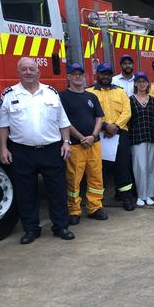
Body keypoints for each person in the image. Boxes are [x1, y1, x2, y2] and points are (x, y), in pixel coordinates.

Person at [0, 57, 75, 244]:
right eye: (24, 69)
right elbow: (2, 125)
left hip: (52, 150)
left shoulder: (51, 93)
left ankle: (61, 226)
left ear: (38, 72)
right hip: (22, 152)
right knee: (26, 193)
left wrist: (66, 142)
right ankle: (31, 229)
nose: (28, 72)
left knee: (58, 191)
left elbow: (63, 122)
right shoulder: (8, 95)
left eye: (32, 69)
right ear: (18, 72)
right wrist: (3, 148)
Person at [60, 63, 107, 225]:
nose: (78, 76)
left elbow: (99, 118)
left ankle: (95, 207)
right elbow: (63, 121)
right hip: (75, 145)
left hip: (94, 144)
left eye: (80, 74)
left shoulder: (91, 97)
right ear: (68, 77)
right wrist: (81, 138)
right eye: (74, 74)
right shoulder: (63, 97)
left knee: (96, 177)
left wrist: (93, 136)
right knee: (73, 179)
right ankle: (74, 210)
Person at [87, 62, 135, 211]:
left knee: (123, 168)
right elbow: (88, 115)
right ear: (98, 75)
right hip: (99, 136)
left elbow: (127, 112)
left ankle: (126, 198)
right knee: (98, 170)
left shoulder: (120, 92)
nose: (105, 76)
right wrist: (105, 126)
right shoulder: (89, 93)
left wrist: (115, 126)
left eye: (108, 74)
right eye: (103, 74)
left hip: (119, 134)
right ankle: (97, 203)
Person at [128, 72, 154, 207]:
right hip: (137, 137)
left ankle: (149, 194)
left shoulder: (153, 100)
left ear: (148, 83)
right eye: (139, 81)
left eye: (144, 81)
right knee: (140, 167)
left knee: (151, 167)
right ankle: (141, 195)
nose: (141, 84)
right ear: (135, 83)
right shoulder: (130, 99)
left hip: (152, 136)